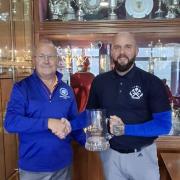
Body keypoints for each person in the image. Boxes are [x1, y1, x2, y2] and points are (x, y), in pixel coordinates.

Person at [87, 32, 172, 180]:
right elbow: (91, 116)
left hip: (142, 156)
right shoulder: (99, 82)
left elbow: (164, 125)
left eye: (128, 47)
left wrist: (125, 129)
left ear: (136, 51)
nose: (122, 52)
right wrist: (68, 124)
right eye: (117, 47)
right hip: (110, 155)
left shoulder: (152, 82)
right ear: (111, 51)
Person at [4, 39, 86, 180]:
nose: (46, 60)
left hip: (63, 166)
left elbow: (74, 125)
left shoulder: (66, 90)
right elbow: (10, 123)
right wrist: (47, 123)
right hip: (33, 170)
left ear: (57, 60)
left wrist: (89, 142)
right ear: (34, 60)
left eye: (51, 56)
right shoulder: (22, 88)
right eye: (41, 56)